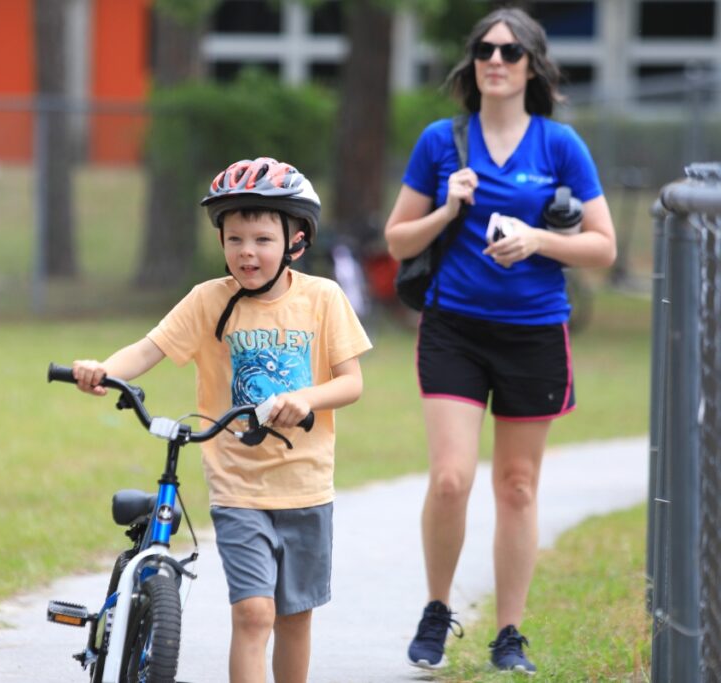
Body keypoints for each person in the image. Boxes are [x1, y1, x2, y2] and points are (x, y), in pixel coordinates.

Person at [71, 157, 372, 683]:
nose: (247, 253)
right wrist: (103, 370)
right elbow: (149, 349)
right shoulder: (209, 300)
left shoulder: (323, 299)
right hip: (238, 489)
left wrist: (306, 398)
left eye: (261, 239)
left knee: (295, 618)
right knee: (254, 614)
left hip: (306, 489)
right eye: (234, 239)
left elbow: (351, 383)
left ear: (295, 241)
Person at [383, 7, 616, 676]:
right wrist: (447, 207)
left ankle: (509, 632)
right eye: (486, 49)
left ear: (532, 67)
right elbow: (398, 240)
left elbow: (604, 246)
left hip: (536, 332)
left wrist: (539, 240)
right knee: (452, 478)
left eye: (511, 52)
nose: (495, 60)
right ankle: (436, 608)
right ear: (472, 62)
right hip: (453, 326)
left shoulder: (560, 145)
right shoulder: (442, 140)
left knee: (516, 485)